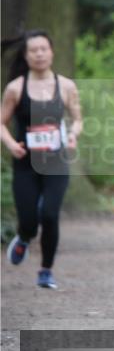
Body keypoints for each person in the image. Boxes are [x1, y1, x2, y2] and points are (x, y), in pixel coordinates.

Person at [1, 30, 83, 289]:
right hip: (25, 164)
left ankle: (46, 271)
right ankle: (24, 237)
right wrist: (11, 144)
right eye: (33, 50)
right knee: (29, 220)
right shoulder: (16, 88)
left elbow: (77, 120)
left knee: (49, 214)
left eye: (43, 49)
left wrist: (73, 135)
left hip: (56, 162)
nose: (39, 54)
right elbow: (1, 123)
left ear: (51, 52)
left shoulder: (66, 86)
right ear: (26, 56)